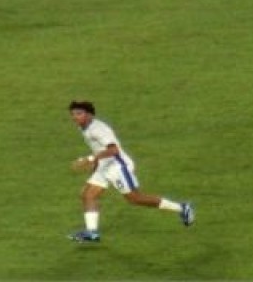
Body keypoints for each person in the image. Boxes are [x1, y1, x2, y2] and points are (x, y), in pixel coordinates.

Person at [66, 101, 194, 243]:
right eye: (73, 114)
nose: (75, 117)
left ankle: (182, 208)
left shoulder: (99, 129)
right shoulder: (84, 127)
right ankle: (91, 233)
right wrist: (96, 164)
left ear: (89, 115)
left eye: (79, 113)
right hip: (105, 165)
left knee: (135, 199)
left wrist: (90, 159)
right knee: (87, 195)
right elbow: (99, 149)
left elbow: (114, 150)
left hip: (117, 167)